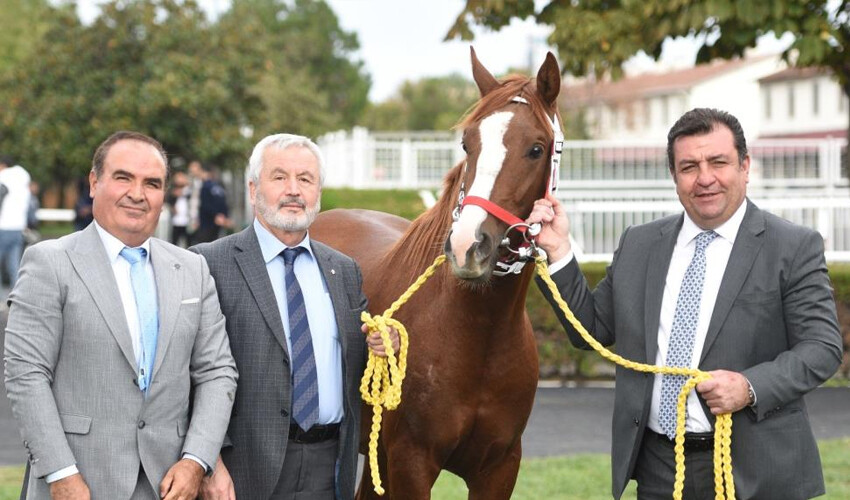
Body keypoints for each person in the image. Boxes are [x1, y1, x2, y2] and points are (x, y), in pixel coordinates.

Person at [528, 108, 843, 500]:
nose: (705, 178)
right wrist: (558, 250)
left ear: (745, 167)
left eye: (718, 162)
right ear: (675, 177)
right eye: (689, 166)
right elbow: (591, 330)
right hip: (659, 467)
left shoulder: (792, 246)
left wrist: (749, 387)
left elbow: (822, 349)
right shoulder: (640, 244)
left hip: (754, 469)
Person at [4, 131, 238, 500]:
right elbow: (26, 374)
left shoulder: (193, 268)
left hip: (171, 482)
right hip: (77, 483)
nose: (137, 193)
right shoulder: (50, 263)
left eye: (152, 183)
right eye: (123, 177)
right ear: (94, 183)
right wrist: (61, 473)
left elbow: (217, 371)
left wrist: (196, 460)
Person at [193, 133, 396, 500]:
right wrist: (208, 462)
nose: (293, 190)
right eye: (279, 177)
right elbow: (188, 371)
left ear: (318, 191)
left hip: (328, 466)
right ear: (253, 189)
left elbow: (357, 364)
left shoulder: (344, 270)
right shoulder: (209, 264)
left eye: (305, 179)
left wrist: (384, 348)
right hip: (240, 470)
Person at [0, 155, 32, 288]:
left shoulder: (4, 178)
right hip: (18, 227)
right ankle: (16, 299)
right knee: (14, 264)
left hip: (3, 226)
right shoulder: (22, 180)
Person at [192, 163, 230, 244]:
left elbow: (205, 205)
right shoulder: (219, 186)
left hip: (207, 222)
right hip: (218, 222)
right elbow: (224, 203)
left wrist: (215, 215)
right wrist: (223, 216)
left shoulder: (205, 186)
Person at [167, 171, 192, 247]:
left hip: (187, 221)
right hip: (176, 221)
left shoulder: (189, 190)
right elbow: (169, 200)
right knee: (174, 242)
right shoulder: (172, 191)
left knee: (188, 243)